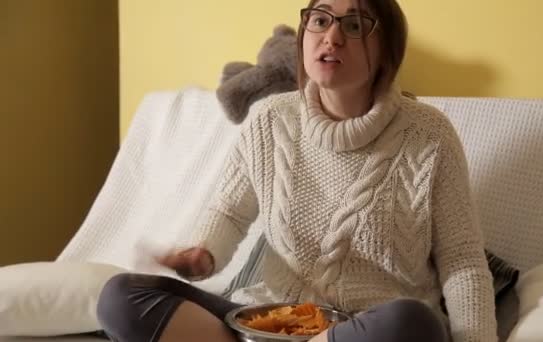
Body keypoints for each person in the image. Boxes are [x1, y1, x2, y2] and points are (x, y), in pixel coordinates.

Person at [96, 0, 498, 341]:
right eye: (320, 19)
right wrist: (201, 255)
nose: (331, 36)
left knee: (412, 323)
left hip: (362, 329)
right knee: (121, 296)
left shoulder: (429, 134)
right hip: (269, 322)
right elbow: (230, 213)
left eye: (354, 25)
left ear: (388, 51)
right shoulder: (269, 119)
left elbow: (462, 260)